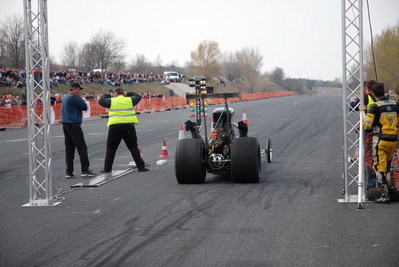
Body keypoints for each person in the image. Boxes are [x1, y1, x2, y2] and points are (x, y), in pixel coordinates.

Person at [360, 83, 399, 203]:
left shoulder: (374, 107)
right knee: (387, 165)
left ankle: (384, 194)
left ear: (372, 93)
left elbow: (367, 125)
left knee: (378, 166)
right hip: (393, 139)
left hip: (381, 140)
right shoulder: (395, 104)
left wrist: (363, 112)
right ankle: (390, 188)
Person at [98, 88, 149, 173]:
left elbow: (101, 100)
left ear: (115, 94)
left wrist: (109, 95)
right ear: (123, 93)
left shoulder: (112, 101)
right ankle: (140, 166)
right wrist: (128, 93)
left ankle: (107, 168)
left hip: (115, 126)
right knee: (133, 147)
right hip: (128, 126)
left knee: (111, 148)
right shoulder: (129, 100)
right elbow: (138, 96)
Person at [62, 83, 96, 178]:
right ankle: (85, 170)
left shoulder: (65, 97)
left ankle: (69, 171)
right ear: (75, 89)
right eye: (78, 90)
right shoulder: (73, 97)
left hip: (66, 124)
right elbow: (84, 107)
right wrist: (79, 97)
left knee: (69, 149)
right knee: (82, 148)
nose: (79, 92)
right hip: (73, 124)